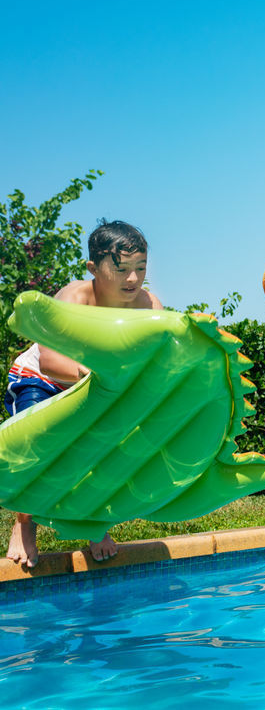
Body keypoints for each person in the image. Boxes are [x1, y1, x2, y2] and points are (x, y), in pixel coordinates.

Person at [4, 220, 162, 569]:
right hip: (41, 380)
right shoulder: (75, 297)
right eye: (121, 269)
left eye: (140, 269)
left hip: (97, 387)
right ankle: (24, 525)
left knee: (101, 455)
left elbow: (161, 355)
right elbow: (49, 359)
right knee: (36, 452)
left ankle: (95, 526)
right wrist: (89, 373)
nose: (133, 279)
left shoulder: (147, 305)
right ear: (93, 268)